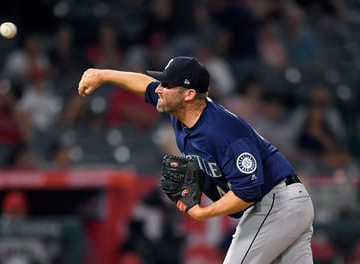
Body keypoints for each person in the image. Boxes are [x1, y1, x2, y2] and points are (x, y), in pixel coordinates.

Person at [78, 56, 315, 263]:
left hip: (276, 202)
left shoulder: (222, 132)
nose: (160, 89)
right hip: (287, 204)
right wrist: (103, 74)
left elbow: (248, 191)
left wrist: (203, 212)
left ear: (189, 94)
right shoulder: (181, 112)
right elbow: (145, 85)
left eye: (168, 84)